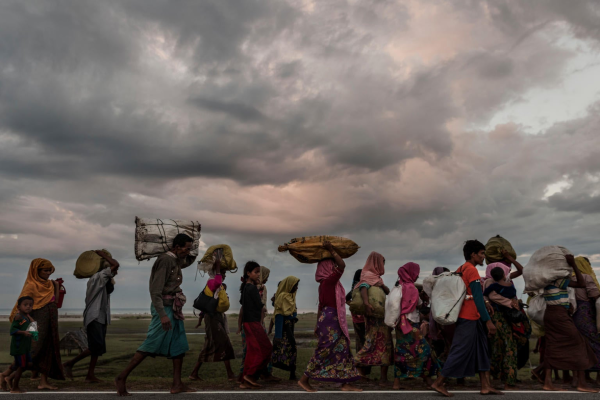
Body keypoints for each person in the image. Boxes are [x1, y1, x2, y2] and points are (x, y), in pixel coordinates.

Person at [115, 234, 197, 396]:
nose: (188, 251)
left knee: (178, 346)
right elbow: (155, 290)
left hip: (173, 309)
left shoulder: (176, 260)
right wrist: (162, 315)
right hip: (164, 309)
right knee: (150, 344)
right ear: (176, 247)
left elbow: (187, 261)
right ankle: (121, 377)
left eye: (190, 248)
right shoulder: (165, 260)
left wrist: (195, 250)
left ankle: (177, 384)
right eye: (186, 248)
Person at [431, 240, 501, 397]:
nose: (484, 257)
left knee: (482, 350)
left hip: (470, 316)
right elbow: (476, 297)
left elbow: (472, 294)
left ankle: (485, 386)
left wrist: (485, 302)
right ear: (473, 254)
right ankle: (439, 382)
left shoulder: (461, 269)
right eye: (482, 254)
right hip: (468, 316)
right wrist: (488, 321)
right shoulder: (472, 271)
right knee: (459, 350)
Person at [298, 241, 362, 392]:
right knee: (325, 349)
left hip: (328, 318)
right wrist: (332, 250)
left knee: (343, 349)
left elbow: (320, 306)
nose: (334, 267)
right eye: (331, 265)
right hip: (331, 320)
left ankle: (345, 383)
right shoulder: (329, 281)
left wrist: (316, 324)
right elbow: (342, 266)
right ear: (328, 268)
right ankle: (304, 379)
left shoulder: (325, 284)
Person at [540, 254, 598, 392]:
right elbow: (581, 284)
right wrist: (574, 265)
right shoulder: (558, 279)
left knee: (552, 346)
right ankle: (581, 384)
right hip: (559, 315)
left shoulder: (546, 279)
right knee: (579, 343)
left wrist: (566, 306)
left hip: (551, 313)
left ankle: (548, 382)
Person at [63, 250, 120, 382]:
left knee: (97, 349)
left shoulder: (104, 280)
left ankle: (90, 375)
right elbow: (116, 265)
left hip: (101, 316)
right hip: (94, 316)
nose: (116, 272)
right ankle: (69, 364)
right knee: (95, 347)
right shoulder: (99, 277)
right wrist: (104, 256)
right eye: (111, 269)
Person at [10, 258, 64, 390]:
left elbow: (55, 302)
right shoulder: (31, 286)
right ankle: (7, 375)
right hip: (36, 323)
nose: (48, 273)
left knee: (48, 349)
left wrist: (56, 287)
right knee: (33, 350)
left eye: (50, 270)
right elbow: (22, 306)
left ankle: (43, 381)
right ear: (36, 271)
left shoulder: (49, 284)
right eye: (45, 270)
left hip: (50, 321)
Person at [393, 262, 440, 390]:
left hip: (399, 324)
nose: (417, 275)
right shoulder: (412, 289)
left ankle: (397, 383)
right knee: (423, 350)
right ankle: (428, 379)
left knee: (401, 352)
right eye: (416, 272)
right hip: (410, 324)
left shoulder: (398, 287)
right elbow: (418, 305)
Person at [189, 256, 235, 381]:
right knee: (223, 342)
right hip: (213, 318)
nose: (224, 275)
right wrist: (218, 266)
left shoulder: (218, 287)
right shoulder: (212, 282)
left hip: (216, 317)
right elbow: (217, 282)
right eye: (222, 273)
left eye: (224, 273)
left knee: (211, 344)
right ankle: (230, 374)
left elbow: (208, 305)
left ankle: (194, 373)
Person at [481, 253, 524, 390]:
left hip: (505, 317)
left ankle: (506, 379)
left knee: (506, 347)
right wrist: (511, 303)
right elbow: (492, 297)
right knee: (504, 347)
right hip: (498, 318)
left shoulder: (501, 281)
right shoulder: (489, 282)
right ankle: (504, 379)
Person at [239, 261, 279, 388]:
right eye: (256, 272)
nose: (258, 275)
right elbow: (259, 305)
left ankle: (246, 381)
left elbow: (242, 302)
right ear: (248, 273)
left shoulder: (246, 287)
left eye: (258, 272)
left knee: (252, 351)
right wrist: (258, 289)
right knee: (266, 348)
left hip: (248, 322)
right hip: (253, 322)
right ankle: (251, 375)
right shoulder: (252, 288)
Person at [354, 252, 392, 385]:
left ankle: (383, 378)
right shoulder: (367, 276)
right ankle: (356, 370)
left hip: (381, 319)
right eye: (382, 263)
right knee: (371, 344)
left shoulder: (377, 279)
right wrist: (366, 303)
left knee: (385, 346)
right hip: (373, 319)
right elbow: (363, 287)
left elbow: (387, 292)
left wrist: (382, 285)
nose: (383, 265)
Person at [570, 257, 600, 384]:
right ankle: (598, 377)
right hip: (586, 313)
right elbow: (594, 295)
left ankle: (577, 377)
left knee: (579, 345)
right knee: (596, 342)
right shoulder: (587, 277)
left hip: (573, 315)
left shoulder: (569, 279)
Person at [4, 297, 36, 393]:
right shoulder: (18, 317)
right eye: (25, 305)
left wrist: (29, 317)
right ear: (19, 307)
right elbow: (12, 331)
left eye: (30, 305)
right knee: (21, 366)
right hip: (19, 347)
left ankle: (8, 378)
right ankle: (14, 388)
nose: (28, 307)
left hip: (25, 347)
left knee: (25, 364)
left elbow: (33, 325)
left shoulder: (26, 317)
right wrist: (24, 333)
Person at [270, 276, 300, 380]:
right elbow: (279, 315)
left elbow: (292, 312)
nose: (297, 288)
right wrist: (278, 335)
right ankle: (268, 372)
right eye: (295, 285)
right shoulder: (282, 296)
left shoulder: (291, 296)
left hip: (290, 326)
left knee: (292, 349)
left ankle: (292, 373)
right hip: (284, 328)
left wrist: (293, 317)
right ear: (289, 285)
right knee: (283, 348)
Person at [346, 269, 372, 378]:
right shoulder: (361, 287)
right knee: (364, 344)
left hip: (357, 319)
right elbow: (346, 299)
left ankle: (362, 371)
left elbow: (346, 299)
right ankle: (361, 371)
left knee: (361, 343)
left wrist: (354, 307)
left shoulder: (354, 288)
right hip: (362, 320)